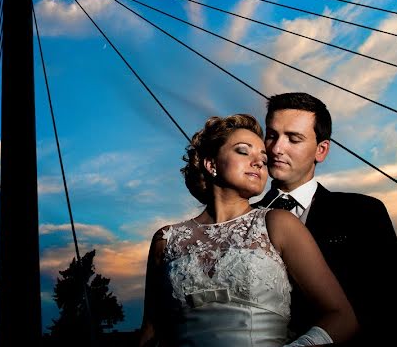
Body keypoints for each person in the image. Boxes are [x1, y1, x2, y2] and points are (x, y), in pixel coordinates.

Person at [139, 114, 358, 347]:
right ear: (211, 164)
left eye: (263, 160)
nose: (258, 163)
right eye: (243, 152)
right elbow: (150, 332)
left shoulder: (278, 224)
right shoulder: (166, 239)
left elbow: (342, 316)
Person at [256, 92, 395, 343]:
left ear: (321, 150)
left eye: (293, 139)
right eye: (272, 135)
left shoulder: (364, 213)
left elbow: (388, 304)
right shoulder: (244, 219)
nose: (276, 148)